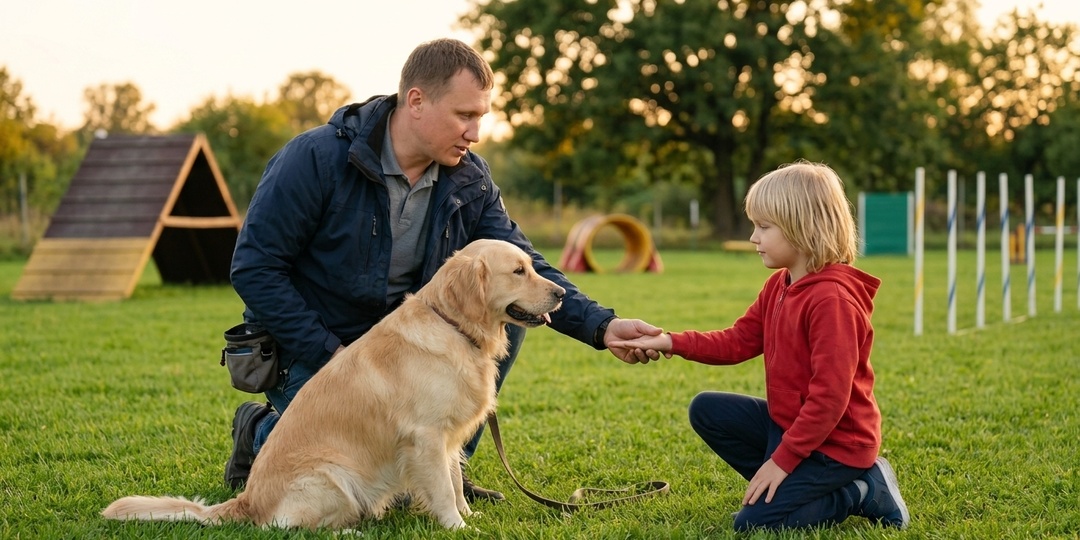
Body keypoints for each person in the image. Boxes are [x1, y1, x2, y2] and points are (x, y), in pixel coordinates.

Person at [225, 38, 660, 501]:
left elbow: (523, 266)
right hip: (316, 350)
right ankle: (261, 431)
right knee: (347, 466)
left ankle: (449, 464)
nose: (475, 132)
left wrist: (604, 326)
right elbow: (255, 268)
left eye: (481, 118)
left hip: (405, 353)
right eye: (464, 116)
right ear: (416, 101)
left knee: (507, 312)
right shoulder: (315, 159)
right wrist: (332, 353)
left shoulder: (470, 177)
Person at [610, 161, 910, 531]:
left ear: (804, 228)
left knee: (753, 524)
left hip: (837, 446)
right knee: (707, 409)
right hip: (791, 428)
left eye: (764, 227)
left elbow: (830, 398)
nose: (753, 237)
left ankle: (863, 489)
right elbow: (738, 341)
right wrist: (670, 341)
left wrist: (782, 461)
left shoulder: (833, 301)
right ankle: (790, 486)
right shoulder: (779, 285)